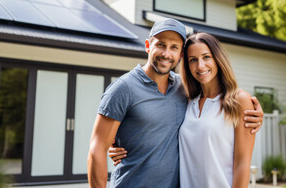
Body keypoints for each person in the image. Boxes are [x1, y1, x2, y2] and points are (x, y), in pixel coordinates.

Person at [88, 19, 263, 188]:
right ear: (148, 45)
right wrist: (113, 145)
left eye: (174, 47)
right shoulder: (123, 88)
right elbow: (97, 148)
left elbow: (240, 155)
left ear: (180, 55)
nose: (166, 53)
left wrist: (255, 113)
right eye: (161, 45)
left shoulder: (183, 89)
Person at [179, 32, 255, 187]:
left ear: (217, 58)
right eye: (193, 60)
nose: (200, 65)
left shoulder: (239, 100)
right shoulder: (186, 102)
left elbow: (242, 163)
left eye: (206, 57)